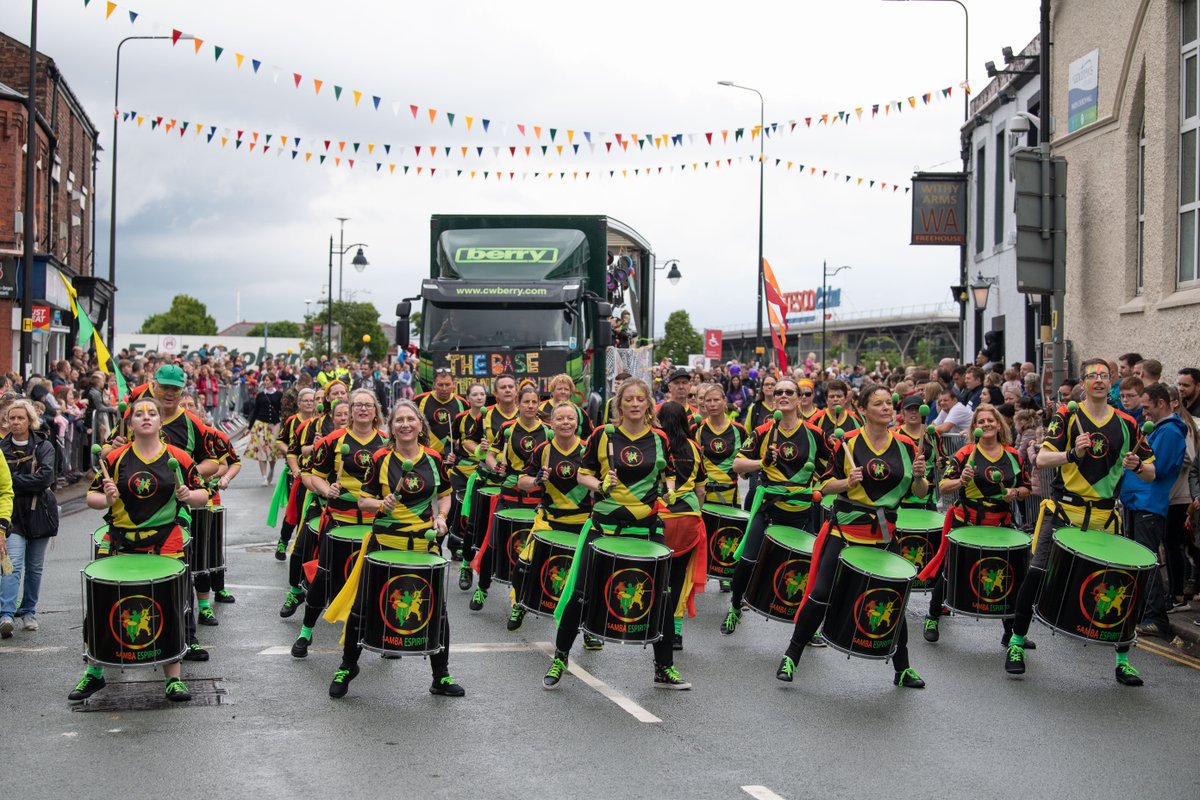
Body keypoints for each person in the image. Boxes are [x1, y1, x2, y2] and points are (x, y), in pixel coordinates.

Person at [1006, 358, 1156, 686]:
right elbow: (1043, 459)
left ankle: (1122, 659)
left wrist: (1135, 465)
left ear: (1111, 380)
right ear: (1084, 382)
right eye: (1093, 376)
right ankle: (1015, 643)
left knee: (1121, 585)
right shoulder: (1068, 416)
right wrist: (1072, 453)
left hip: (1104, 517)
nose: (1099, 380)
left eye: (1104, 375)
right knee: (1036, 574)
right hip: (1064, 513)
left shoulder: (1129, 423)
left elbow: (1150, 472)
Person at [774, 384, 929, 689]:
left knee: (894, 600)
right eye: (879, 403)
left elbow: (919, 493)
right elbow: (823, 486)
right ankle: (791, 656)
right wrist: (846, 481)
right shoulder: (848, 442)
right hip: (844, 531)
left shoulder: (908, 447)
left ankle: (903, 669)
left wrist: (921, 476)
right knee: (820, 595)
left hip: (885, 533)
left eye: (889, 403)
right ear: (863, 409)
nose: (887, 408)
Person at [541, 378, 690, 690]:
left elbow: (671, 474)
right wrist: (601, 486)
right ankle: (560, 657)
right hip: (604, 527)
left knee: (660, 596)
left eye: (640, 399)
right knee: (581, 593)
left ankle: (664, 667)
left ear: (649, 404)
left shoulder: (660, 437)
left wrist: (671, 492)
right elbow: (583, 474)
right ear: (618, 405)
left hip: (646, 527)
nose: (634, 404)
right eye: (628, 400)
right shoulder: (602, 435)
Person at [322, 399, 465, 699]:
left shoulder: (435, 460)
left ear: (420, 425)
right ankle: (348, 666)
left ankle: (441, 675)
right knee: (362, 608)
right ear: (392, 428)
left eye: (410, 420)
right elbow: (363, 500)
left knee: (437, 611)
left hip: (424, 545)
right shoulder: (381, 459)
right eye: (399, 420)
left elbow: (446, 495)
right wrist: (380, 503)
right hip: (385, 544)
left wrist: (441, 517)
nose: (405, 425)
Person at [70, 396, 209, 703]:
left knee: (170, 606)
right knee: (102, 603)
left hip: (165, 539)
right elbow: (91, 500)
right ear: (130, 423)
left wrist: (189, 493)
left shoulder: (179, 459)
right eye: (139, 414)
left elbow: (203, 496)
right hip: (121, 539)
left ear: (160, 422)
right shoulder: (115, 458)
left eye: (152, 413)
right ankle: (94, 673)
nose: (146, 417)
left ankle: (173, 678)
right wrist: (106, 499)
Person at [721, 377, 835, 636]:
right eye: (778, 391)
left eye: (789, 392)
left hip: (804, 510)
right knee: (748, 561)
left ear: (799, 399)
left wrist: (825, 483)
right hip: (769, 508)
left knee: (809, 570)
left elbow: (836, 464)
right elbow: (738, 465)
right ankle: (736, 607)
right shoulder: (763, 432)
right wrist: (762, 462)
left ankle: (810, 628)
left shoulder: (815, 434)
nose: (782, 395)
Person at [918, 404, 1030, 644]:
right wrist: (961, 480)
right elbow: (943, 486)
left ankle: (1010, 632)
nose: (987, 424)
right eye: (981, 422)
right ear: (975, 427)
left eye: (991, 420)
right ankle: (932, 615)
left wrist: (1014, 491)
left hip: (1000, 524)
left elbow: (1027, 488)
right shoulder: (965, 454)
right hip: (966, 521)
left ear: (999, 424)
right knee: (950, 570)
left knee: (1006, 574)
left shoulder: (1013, 454)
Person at [290, 389, 385, 657]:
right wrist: (325, 489)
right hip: (338, 521)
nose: (363, 410)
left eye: (368, 405)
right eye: (357, 405)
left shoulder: (387, 443)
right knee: (324, 576)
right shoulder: (333, 441)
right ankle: (306, 631)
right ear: (350, 410)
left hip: (373, 525)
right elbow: (314, 476)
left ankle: (380, 636)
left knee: (375, 581)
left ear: (375, 411)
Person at [509, 401, 593, 631]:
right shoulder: (543, 450)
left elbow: (599, 482)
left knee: (584, 580)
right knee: (522, 565)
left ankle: (586, 629)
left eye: (570, 418)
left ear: (577, 422)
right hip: (549, 520)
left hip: (581, 522)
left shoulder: (588, 449)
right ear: (551, 423)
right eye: (560, 419)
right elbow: (522, 482)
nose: (566, 423)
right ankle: (520, 604)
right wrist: (537, 480)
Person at [475, 385, 550, 615]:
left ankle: (529, 597)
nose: (529, 406)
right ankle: (482, 587)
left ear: (538, 405)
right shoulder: (508, 428)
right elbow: (490, 454)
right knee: (493, 542)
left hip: (537, 496)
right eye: (525, 402)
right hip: (509, 493)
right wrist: (494, 465)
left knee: (534, 550)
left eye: (533, 402)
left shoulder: (548, 431)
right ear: (518, 404)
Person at [1122, 382, 1187, 640]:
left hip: (1149, 504)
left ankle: (1155, 617)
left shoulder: (1170, 432)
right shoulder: (1161, 429)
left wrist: (1136, 465)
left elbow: (1157, 469)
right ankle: (1143, 613)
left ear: (1162, 403)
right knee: (1139, 562)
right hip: (1138, 502)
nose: (1144, 413)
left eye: (1148, 408)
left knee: (1147, 562)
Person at [279, 384, 349, 618]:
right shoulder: (314, 426)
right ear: (327, 400)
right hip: (318, 501)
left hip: (352, 509)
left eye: (343, 394)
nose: (339, 398)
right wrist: (322, 488)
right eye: (334, 394)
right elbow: (298, 457)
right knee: (300, 548)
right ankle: (295, 590)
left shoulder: (368, 432)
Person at [655, 401, 709, 650]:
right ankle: (675, 632)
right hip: (688, 517)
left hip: (661, 516)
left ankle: (655, 625)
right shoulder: (695, 447)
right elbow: (700, 490)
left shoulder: (655, 445)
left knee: (657, 575)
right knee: (680, 578)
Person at [459, 375, 519, 588]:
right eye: (503, 387)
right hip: (486, 479)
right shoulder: (486, 415)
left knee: (501, 533)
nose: (507, 390)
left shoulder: (525, 416)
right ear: (496, 391)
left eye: (511, 386)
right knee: (473, 527)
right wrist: (479, 449)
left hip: (513, 485)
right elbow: (466, 440)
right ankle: (466, 565)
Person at [272, 388, 317, 560]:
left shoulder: (317, 423)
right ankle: (284, 541)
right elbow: (280, 442)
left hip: (312, 471)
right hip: (295, 472)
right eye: (305, 401)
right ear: (298, 403)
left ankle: (302, 545)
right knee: (295, 509)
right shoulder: (292, 421)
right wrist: (291, 453)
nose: (309, 403)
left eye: (311, 401)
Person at [695, 382, 747, 506]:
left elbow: (745, 470)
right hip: (702, 499)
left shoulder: (739, 430)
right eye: (708, 400)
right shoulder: (696, 429)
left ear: (724, 400)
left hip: (731, 498)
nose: (712, 404)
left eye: (716, 400)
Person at [892, 394, 945, 511]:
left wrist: (942, 465)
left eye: (917, 409)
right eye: (909, 409)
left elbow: (943, 469)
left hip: (928, 499)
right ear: (903, 413)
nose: (913, 413)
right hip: (901, 499)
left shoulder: (932, 434)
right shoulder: (895, 435)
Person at [415, 369, 467, 458]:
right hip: (426, 455)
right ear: (434, 384)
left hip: (453, 456)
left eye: (447, 385)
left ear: (453, 384)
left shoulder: (463, 403)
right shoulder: (419, 400)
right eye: (440, 385)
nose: (444, 389)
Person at [246, 372, 283, 486]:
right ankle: (263, 476)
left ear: (273, 381)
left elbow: (281, 410)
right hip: (261, 424)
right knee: (261, 451)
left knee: (272, 452)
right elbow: (255, 411)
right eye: (265, 380)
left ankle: (271, 471)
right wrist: (249, 427)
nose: (266, 382)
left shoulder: (279, 395)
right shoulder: (260, 395)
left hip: (274, 425)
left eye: (268, 380)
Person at [539, 373, 595, 440]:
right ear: (552, 391)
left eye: (566, 389)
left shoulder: (579, 411)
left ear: (571, 392)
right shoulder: (540, 408)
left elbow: (590, 434)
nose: (563, 392)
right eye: (559, 389)